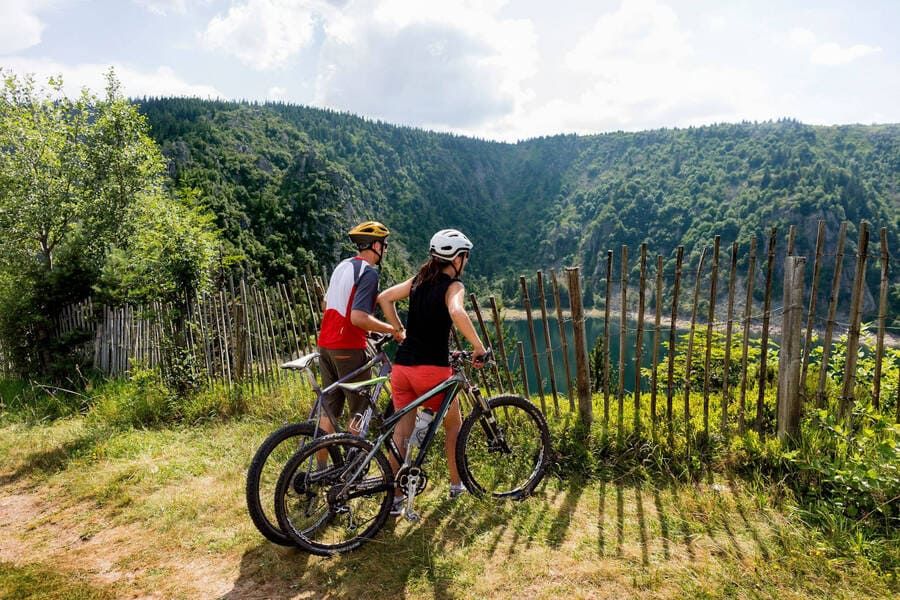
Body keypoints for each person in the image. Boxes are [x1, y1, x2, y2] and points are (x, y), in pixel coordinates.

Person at [377, 228, 487, 511]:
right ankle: (455, 485)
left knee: (401, 433)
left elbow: (385, 298)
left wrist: (399, 329)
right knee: (454, 426)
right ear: (457, 258)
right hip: (432, 371)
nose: (467, 261)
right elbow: (458, 312)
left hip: (402, 368)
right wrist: (478, 347)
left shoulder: (418, 281)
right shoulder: (454, 286)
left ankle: (396, 499)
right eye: (466, 256)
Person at [317, 221, 403, 437]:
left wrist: (370, 329)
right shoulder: (369, 273)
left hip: (326, 345)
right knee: (360, 410)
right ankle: (353, 465)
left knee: (329, 410)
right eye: (384, 244)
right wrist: (393, 329)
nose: (385, 249)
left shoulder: (343, 266)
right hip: (348, 347)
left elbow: (326, 305)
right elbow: (358, 317)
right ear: (375, 245)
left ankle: (321, 468)